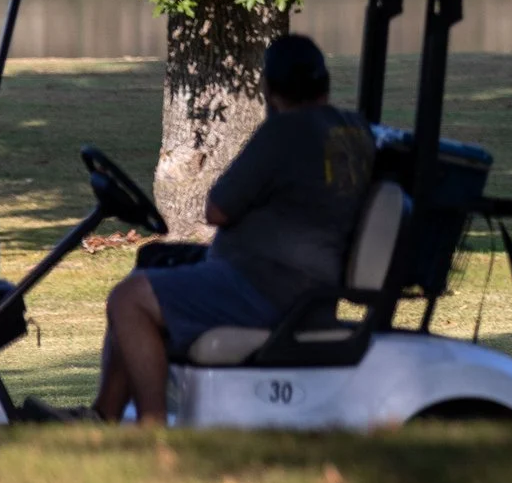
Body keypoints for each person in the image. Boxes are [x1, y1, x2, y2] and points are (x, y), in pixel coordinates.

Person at [91, 34, 373, 423]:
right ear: (323, 83)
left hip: (267, 288)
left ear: (271, 89)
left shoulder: (285, 132)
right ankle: (103, 417)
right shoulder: (352, 129)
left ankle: (150, 429)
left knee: (128, 299)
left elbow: (217, 209)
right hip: (298, 283)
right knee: (148, 269)